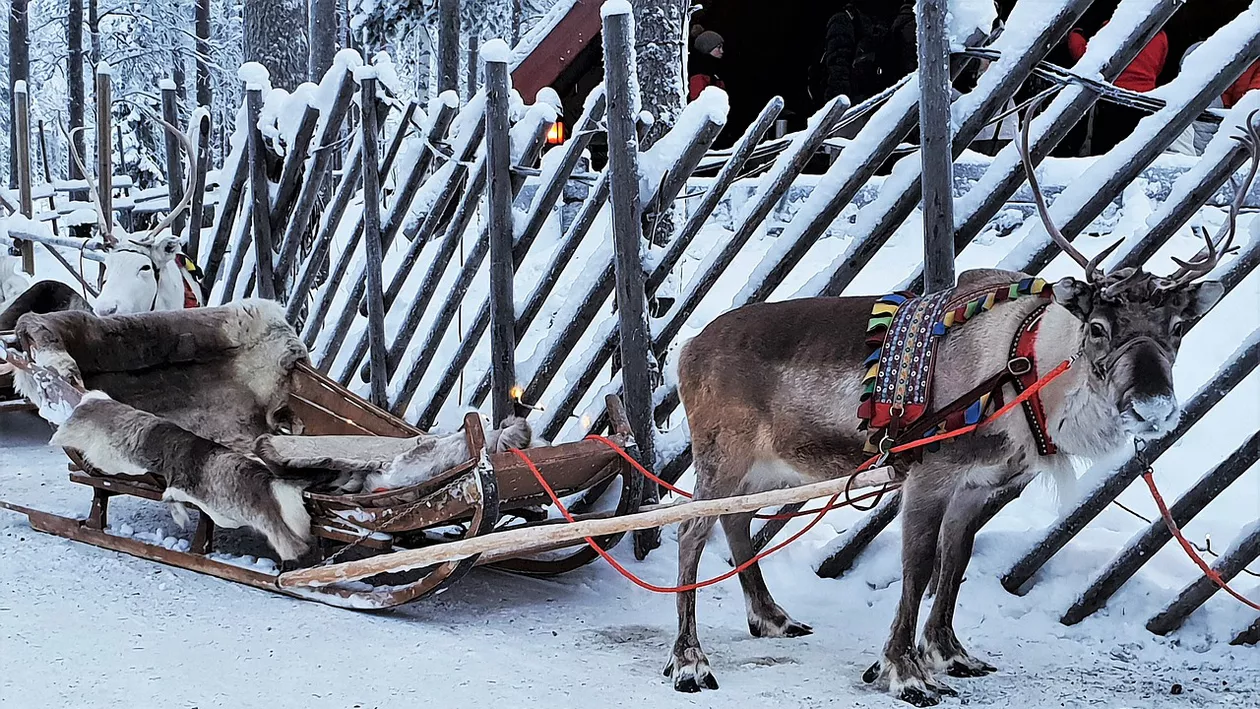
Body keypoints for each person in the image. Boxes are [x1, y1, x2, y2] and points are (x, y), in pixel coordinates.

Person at [1067, 25, 1168, 155]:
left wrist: (1074, 34)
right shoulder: (1160, 35)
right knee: (1135, 153)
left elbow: (1086, 58)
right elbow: (1158, 68)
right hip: (1145, 103)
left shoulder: (1113, 28)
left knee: (1104, 153)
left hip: (1113, 100)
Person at [688, 28, 726, 102]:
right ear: (707, 48)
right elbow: (698, 102)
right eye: (718, 47)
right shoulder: (699, 71)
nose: (722, 51)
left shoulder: (713, 69)